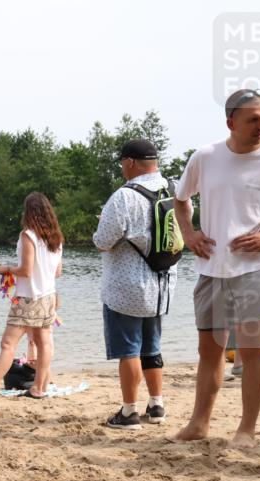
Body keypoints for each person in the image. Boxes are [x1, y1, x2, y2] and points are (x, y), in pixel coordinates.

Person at [173, 89, 260, 448]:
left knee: (251, 351)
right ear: (231, 122)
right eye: (254, 119)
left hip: (256, 270)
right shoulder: (205, 157)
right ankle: (199, 424)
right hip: (212, 269)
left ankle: (246, 431)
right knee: (210, 350)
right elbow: (181, 199)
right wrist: (190, 234)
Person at [92, 139, 177, 429]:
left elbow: (103, 241)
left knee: (128, 349)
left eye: (121, 164)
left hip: (127, 287)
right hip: (162, 285)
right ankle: (157, 405)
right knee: (151, 347)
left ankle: (129, 412)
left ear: (129, 162)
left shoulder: (124, 197)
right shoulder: (173, 189)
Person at [0, 193, 63, 401]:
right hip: (48, 296)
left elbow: (26, 270)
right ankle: (39, 388)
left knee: (8, 344)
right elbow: (57, 272)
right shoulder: (56, 237)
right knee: (44, 342)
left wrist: (6, 269)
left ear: (29, 212)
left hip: (28, 298)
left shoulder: (28, 235)